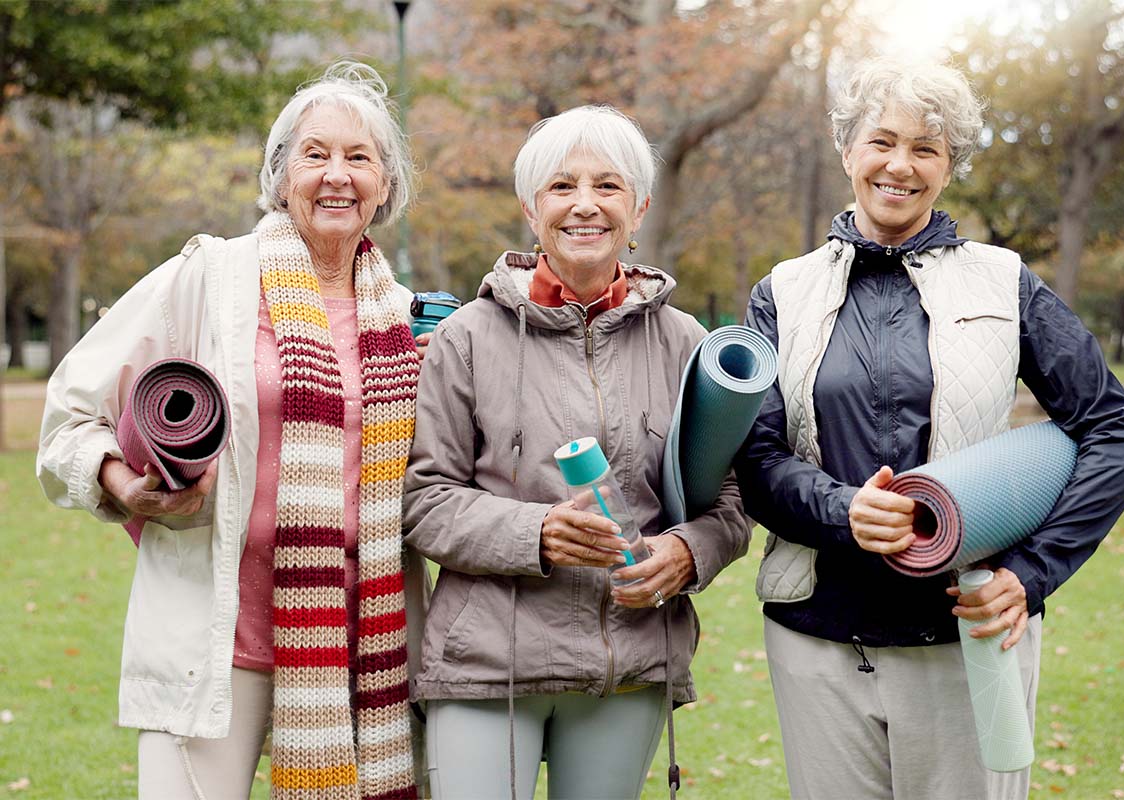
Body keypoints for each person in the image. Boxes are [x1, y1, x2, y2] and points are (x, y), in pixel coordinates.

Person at [736, 58, 1124, 800]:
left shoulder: (1006, 282)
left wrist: (1029, 577)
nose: (901, 165)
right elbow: (758, 457)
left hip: (968, 638)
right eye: (882, 141)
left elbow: (1119, 437)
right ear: (847, 150)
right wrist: (844, 510)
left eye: (926, 149)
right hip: (817, 639)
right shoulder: (782, 292)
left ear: (949, 167)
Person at [37, 61, 429, 800]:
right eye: (315, 154)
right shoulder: (210, 277)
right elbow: (68, 414)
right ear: (281, 176)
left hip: (359, 646)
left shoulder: (406, 319)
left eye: (359, 157)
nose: (337, 175)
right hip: (216, 644)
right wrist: (126, 486)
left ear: (387, 185)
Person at [402, 105, 751, 799]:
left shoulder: (685, 342)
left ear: (640, 206)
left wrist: (686, 553)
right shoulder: (466, 338)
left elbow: (731, 505)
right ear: (532, 210)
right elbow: (424, 499)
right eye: (562, 187)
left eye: (608, 186)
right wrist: (538, 532)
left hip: (627, 664)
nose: (584, 205)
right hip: (485, 665)